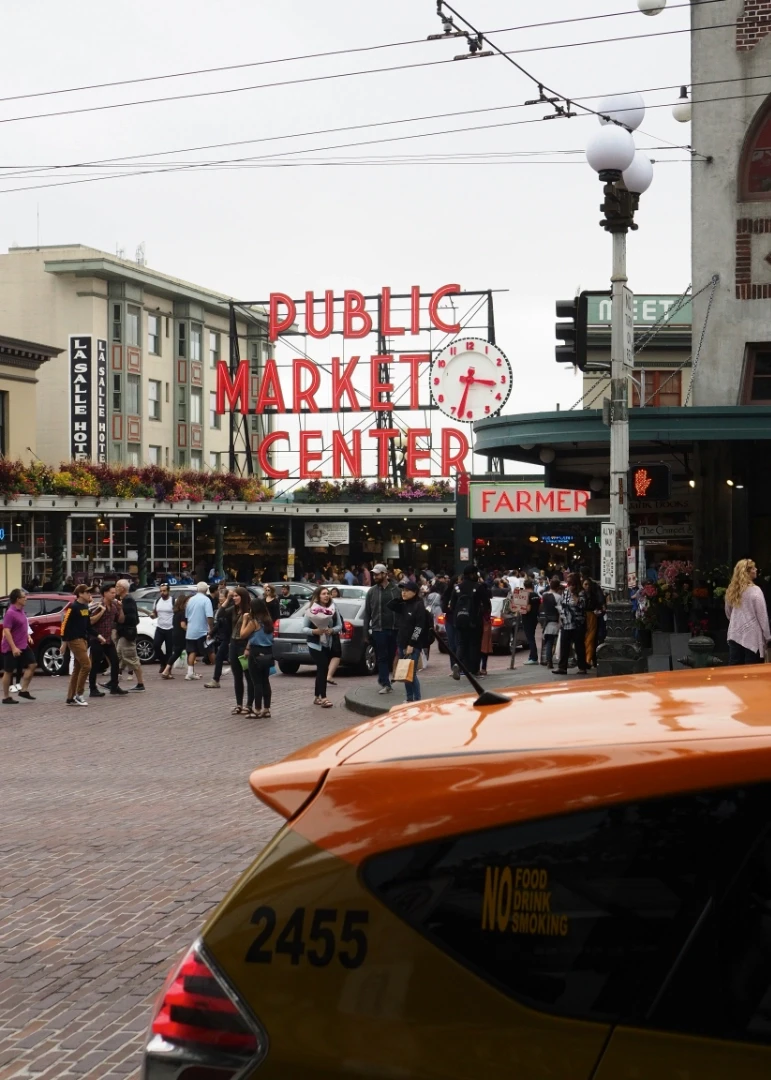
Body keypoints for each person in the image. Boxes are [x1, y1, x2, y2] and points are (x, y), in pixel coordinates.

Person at [388, 578, 429, 703]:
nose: (403, 592)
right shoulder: (404, 604)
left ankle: (417, 699)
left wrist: (412, 644)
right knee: (405, 672)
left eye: (407, 590)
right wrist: (401, 598)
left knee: (411, 673)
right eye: (402, 590)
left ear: (415, 592)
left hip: (412, 645)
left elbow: (419, 627)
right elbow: (390, 605)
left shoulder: (419, 606)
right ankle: (409, 698)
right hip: (401, 642)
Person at [362, 564, 400, 695]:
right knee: (382, 656)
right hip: (378, 629)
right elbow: (367, 613)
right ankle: (385, 682)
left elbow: (403, 609)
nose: (375, 576)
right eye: (374, 574)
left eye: (377, 574)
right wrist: (365, 632)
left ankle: (386, 679)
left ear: (385, 574)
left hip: (395, 628)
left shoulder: (396, 590)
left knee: (391, 656)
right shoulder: (372, 592)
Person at [725, 558, 770, 665]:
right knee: (752, 669)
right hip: (753, 637)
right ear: (747, 572)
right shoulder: (755, 591)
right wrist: (768, 636)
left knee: (734, 668)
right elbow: (762, 616)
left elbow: (728, 613)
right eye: (753, 568)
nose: (756, 569)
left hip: (734, 634)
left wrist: (737, 622)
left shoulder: (732, 590)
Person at [303, 585, 342, 708]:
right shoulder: (312, 609)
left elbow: (339, 625)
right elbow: (304, 628)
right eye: (323, 594)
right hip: (315, 644)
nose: (326, 596)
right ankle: (324, 698)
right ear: (318, 596)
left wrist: (332, 630)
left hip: (327, 643)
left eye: (328, 593)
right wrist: (314, 631)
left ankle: (316, 697)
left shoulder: (333, 608)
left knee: (321, 669)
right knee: (323, 667)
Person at [448, 565, 489, 680]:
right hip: (475, 621)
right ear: (472, 574)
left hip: (460, 621)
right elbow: (486, 604)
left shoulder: (457, 588)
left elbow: (452, 606)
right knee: (475, 645)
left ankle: (457, 664)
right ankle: (474, 670)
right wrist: (482, 613)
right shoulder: (478, 587)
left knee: (461, 644)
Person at [89, 583, 126, 698]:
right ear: (105, 593)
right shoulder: (98, 605)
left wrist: (121, 608)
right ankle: (92, 689)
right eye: (112, 593)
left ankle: (114, 686)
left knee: (115, 661)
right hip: (97, 639)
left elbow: (121, 620)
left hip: (108, 639)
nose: (114, 595)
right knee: (96, 664)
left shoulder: (114, 606)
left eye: (115, 593)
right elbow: (91, 621)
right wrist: (101, 611)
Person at [1, 589, 36, 705]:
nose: (26, 598)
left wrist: (28, 636)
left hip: (23, 645)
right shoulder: (10, 613)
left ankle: (23, 690)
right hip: (11, 647)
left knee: (33, 664)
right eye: (23, 597)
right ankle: (6, 697)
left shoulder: (21, 611)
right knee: (8, 671)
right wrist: (14, 648)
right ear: (17, 599)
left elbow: (23, 627)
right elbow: (6, 630)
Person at [61, 584, 94, 706]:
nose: (89, 594)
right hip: (74, 640)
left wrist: (98, 635)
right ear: (80, 594)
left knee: (78, 668)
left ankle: (70, 697)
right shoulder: (73, 607)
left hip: (83, 639)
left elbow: (88, 625)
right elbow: (64, 625)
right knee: (87, 665)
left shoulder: (85, 607)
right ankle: (79, 694)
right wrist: (64, 642)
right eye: (87, 592)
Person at [113, 579, 146, 693]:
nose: (115, 588)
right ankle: (114, 681)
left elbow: (132, 618)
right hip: (122, 633)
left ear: (123, 588)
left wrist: (120, 611)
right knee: (118, 656)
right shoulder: (122, 600)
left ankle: (140, 684)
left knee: (131, 657)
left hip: (127, 634)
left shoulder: (128, 600)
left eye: (117, 586)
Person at [244, 597, 274, 718]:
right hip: (267, 651)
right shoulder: (268, 620)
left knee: (256, 682)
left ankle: (257, 709)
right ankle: (266, 708)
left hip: (256, 651)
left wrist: (245, 620)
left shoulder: (254, 622)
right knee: (265, 680)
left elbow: (242, 634)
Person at [554, 573, 588, 676]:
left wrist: (573, 594)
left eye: (570, 582)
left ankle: (582, 667)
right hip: (566, 622)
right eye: (568, 582)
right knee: (564, 645)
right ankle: (562, 667)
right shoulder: (565, 592)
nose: (569, 585)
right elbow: (562, 605)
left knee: (579, 646)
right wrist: (560, 619)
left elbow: (582, 606)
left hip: (577, 623)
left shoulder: (581, 593)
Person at [229, 587, 256, 715]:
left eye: (236, 596)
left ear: (243, 597)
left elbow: (254, 631)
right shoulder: (235, 609)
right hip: (233, 643)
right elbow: (220, 613)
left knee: (249, 676)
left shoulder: (249, 611)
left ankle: (249, 704)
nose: (234, 598)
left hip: (244, 644)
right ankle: (239, 704)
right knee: (237, 676)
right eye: (233, 596)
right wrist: (227, 599)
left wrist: (248, 647)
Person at [183, 581, 214, 681]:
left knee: (192, 651)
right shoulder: (206, 600)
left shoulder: (190, 600)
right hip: (202, 630)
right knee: (210, 650)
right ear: (206, 590)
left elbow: (187, 616)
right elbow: (209, 616)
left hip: (191, 630)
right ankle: (218, 669)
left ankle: (190, 672)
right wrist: (211, 628)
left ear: (197, 589)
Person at [205, 586, 233, 688]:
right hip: (226, 638)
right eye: (219, 596)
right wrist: (211, 633)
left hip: (232, 638)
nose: (220, 598)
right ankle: (216, 680)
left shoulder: (230, 608)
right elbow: (218, 623)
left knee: (237, 660)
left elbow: (222, 616)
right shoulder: (221, 607)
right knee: (220, 657)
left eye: (222, 596)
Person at [582, 571, 606, 669]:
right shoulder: (587, 592)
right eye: (585, 584)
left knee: (590, 638)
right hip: (587, 616)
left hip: (591, 616)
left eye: (588, 584)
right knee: (589, 638)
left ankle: (588, 659)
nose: (587, 586)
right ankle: (589, 659)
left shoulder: (591, 593)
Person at [162, 595, 189, 678]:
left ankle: (166, 670)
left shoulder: (176, 613)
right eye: (186, 602)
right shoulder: (183, 612)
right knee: (190, 651)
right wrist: (189, 630)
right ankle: (190, 672)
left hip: (175, 634)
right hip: (181, 635)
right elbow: (183, 625)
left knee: (177, 653)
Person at [151, 582, 174, 674]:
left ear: (168, 591)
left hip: (171, 628)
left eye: (164, 591)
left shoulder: (173, 601)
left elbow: (177, 614)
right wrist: (153, 615)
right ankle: (163, 662)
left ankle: (168, 670)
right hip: (160, 628)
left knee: (169, 650)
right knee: (156, 645)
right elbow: (155, 613)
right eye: (160, 591)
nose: (162, 593)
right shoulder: (157, 601)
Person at [540, 577, 562, 669]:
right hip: (555, 621)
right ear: (557, 587)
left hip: (546, 621)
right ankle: (554, 660)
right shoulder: (558, 597)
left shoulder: (544, 595)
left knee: (548, 641)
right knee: (555, 642)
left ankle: (547, 660)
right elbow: (560, 611)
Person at [521, 578, 541, 665]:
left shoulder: (527, 595)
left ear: (524, 586)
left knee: (530, 638)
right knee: (532, 637)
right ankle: (532, 656)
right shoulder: (536, 595)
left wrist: (520, 610)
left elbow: (527, 609)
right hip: (534, 618)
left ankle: (533, 657)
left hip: (527, 618)